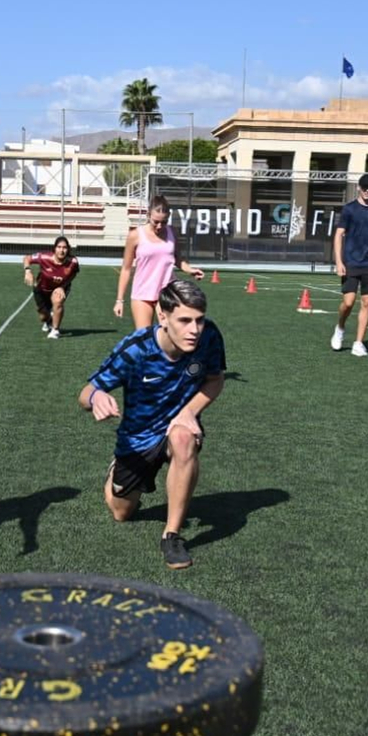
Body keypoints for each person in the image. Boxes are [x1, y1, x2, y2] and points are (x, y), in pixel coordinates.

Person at [79, 279, 225, 570]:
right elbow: (84, 392)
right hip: (136, 439)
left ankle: (171, 536)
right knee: (122, 513)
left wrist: (189, 412)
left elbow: (215, 379)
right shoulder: (135, 350)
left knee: (185, 441)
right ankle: (115, 472)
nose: (194, 330)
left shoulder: (209, 337)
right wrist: (96, 398)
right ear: (163, 316)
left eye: (199, 320)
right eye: (184, 320)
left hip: (175, 428)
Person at [114, 194, 204, 329]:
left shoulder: (172, 232)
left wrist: (190, 269)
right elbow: (126, 269)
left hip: (167, 292)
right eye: (156, 222)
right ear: (148, 215)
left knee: (171, 333)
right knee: (145, 337)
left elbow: (178, 259)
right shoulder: (135, 235)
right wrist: (119, 300)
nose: (160, 226)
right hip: (143, 293)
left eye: (164, 222)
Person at [330, 174, 368, 357]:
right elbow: (338, 235)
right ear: (358, 187)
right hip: (351, 262)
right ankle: (340, 328)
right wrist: (339, 262)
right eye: (364, 187)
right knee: (348, 303)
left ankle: (358, 342)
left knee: (367, 302)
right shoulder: (349, 209)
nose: (367, 190)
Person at [24, 235, 80, 339]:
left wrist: (63, 286)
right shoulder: (44, 257)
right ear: (54, 248)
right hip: (41, 289)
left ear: (68, 249)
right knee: (43, 316)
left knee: (58, 301)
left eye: (64, 247)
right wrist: (28, 270)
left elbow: (73, 274)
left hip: (59, 288)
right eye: (59, 247)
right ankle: (49, 321)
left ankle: (55, 330)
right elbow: (27, 258)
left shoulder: (73, 262)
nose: (61, 250)